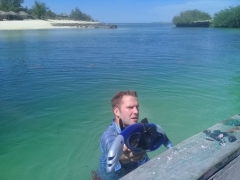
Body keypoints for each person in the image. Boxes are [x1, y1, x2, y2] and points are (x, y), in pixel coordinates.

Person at [98, 90, 149, 179]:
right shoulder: (109, 135)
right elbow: (113, 152)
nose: (136, 111)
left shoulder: (137, 131)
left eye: (137, 107)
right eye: (130, 107)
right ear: (117, 111)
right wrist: (127, 156)